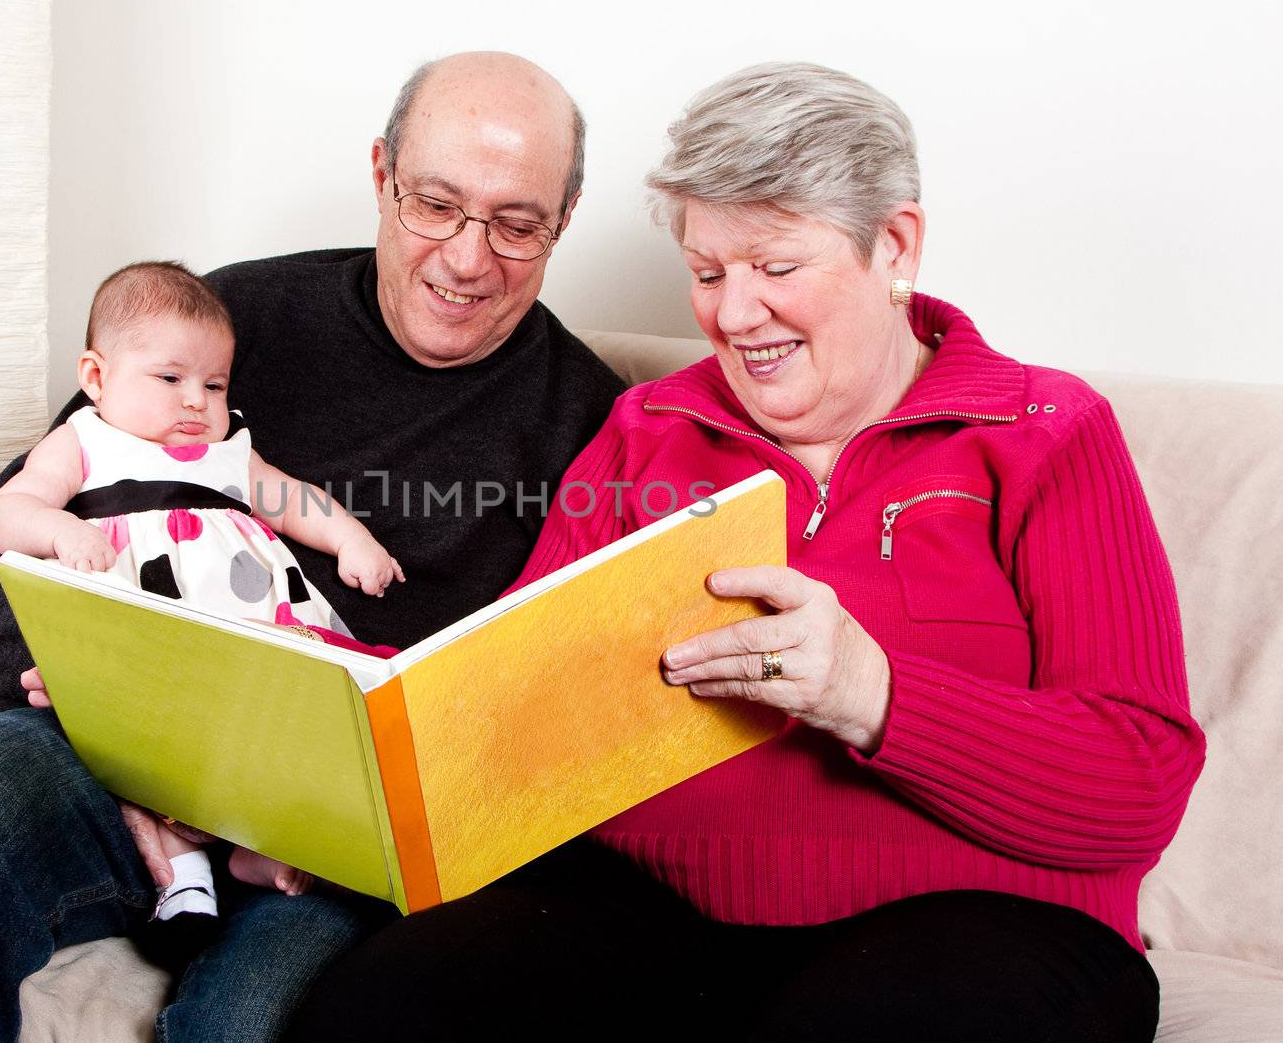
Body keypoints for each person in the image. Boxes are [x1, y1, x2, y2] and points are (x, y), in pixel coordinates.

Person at [286, 63, 1205, 1042]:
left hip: (979, 930)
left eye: (773, 267)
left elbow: (1138, 782)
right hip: (652, 916)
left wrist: (872, 693)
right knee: (377, 1009)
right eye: (708, 272)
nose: (730, 316)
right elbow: (514, 696)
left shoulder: (1040, 431)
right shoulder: (649, 428)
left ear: (892, 246)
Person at [0, 51, 626, 1043]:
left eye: (516, 223)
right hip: (115, 746)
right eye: (434, 204)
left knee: (250, 1020)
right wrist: (113, 749)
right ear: (380, 174)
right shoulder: (226, 324)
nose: (465, 258)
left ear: (564, 222)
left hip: (339, 843)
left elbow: (566, 708)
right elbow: (26, 529)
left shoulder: (597, 421)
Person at [0, 259, 404, 951]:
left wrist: (352, 538)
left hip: (250, 636)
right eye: (170, 378)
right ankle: (185, 885)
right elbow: (11, 511)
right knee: (147, 752)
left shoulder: (228, 452)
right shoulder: (88, 440)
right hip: (151, 638)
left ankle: (267, 847)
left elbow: (291, 498)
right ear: (96, 377)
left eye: (214, 384)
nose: (195, 403)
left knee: (294, 724)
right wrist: (60, 530)